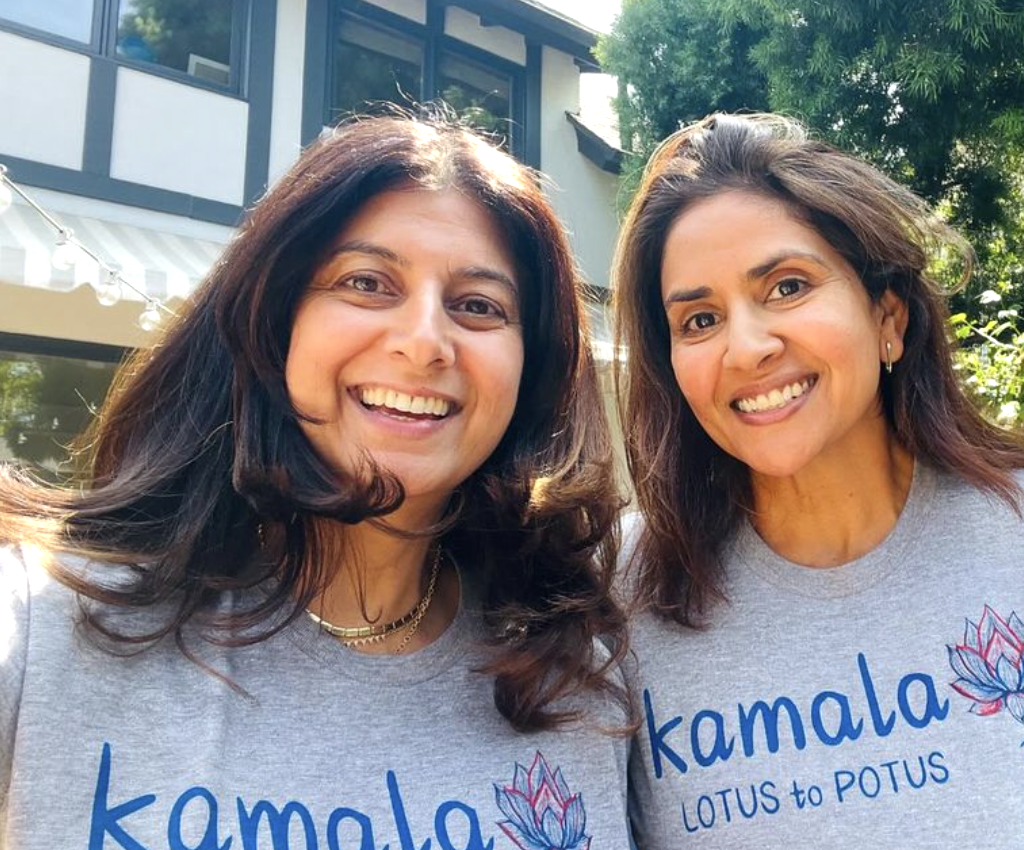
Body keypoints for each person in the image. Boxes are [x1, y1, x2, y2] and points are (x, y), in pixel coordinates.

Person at [0, 115, 630, 850]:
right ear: (274, 322)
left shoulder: (579, 670)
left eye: (479, 306)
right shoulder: (45, 618)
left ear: (531, 372)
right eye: (366, 283)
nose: (425, 342)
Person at [612, 113, 1024, 849]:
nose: (746, 347)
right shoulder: (619, 600)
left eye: (786, 286)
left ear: (889, 320)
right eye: (700, 319)